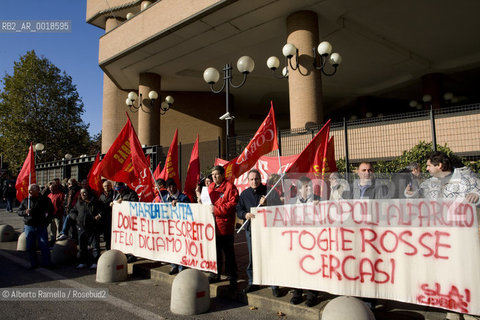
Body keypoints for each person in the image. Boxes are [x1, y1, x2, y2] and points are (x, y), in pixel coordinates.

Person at [405, 151, 480, 320]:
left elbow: (479, 192)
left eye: (429, 165)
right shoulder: (430, 183)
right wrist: (409, 193)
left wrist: (478, 196)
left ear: (439, 165)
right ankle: (452, 313)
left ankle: (470, 314)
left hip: (462, 239)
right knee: (447, 276)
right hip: (440, 239)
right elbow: (415, 197)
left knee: (465, 275)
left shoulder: (467, 179)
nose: (426, 168)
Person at [237, 169, 282, 296]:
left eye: (256, 179)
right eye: (251, 179)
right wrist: (244, 215)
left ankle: (274, 284)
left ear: (260, 179)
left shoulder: (270, 192)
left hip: (268, 231)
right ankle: (253, 282)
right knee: (253, 258)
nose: (254, 181)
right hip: (252, 231)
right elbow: (239, 209)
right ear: (248, 181)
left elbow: (278, 207)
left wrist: (268, 203)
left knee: (270, 257)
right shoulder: (244, 194)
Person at [290, 176, 321, 307]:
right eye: (305, 186)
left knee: (311, 266)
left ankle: (311, 295)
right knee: (297, 266)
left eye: (309, 186)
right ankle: (297, 293)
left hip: (312, 241)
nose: (308, 189)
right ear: (299, 189)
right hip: (297, 240)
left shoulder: (318, 201)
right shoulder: (291, 202)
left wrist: (318, 208)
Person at [208, 165, 239, 290]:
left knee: (228, 253)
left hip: (225, 226)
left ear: (222, 175)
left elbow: (232, 205)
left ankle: (232, 276)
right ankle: (216, 273)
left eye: (216, 174)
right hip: (212, 225)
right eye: (212, 175)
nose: (214, 177)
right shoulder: (210, 187)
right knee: (215, 252)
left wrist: (216, 210)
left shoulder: (230, 187)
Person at [18, 184, 54, 269]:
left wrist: (47, 221)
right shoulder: (26, 200)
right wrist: (25, 212)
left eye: (31, 190)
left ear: (37, 190)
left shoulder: (45, 200)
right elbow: (19, 211)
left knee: (44, 245)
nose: (29, 192)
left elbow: (51, 211)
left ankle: (46, 263)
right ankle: (33, 263)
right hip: (29, 226)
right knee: (30, 246)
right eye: (29, 190)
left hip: (41, 225)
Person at [162, 178, 191, 274]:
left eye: (172, 186)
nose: (171, 188)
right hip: (170, 227)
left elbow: (188, 207)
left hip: (181, 228)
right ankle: (174, 265)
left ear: (176, 186)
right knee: (172, 246)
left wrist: (179, 203)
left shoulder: (183, 197)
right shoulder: (165, 198)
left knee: (181, 246)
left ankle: (181, 266)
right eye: (168, 187)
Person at [70, 188, 103, 269]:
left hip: (92, 226)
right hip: (81, 227)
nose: (84, 194)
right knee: (82, 246)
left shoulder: (94, 202)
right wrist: (76, 218)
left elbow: (102, 210)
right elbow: (72, 211)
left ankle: (95, 262)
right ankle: (83, 262)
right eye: (82, 193)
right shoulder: (79, 203)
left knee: (95, 246)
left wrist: (99, 215)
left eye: (85, 193)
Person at [112, 182, 139, 262]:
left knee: (131, 238)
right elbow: (115, 202)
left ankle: (132, 255)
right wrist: (114, 203)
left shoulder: (131, 193)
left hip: (130, 220)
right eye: (117, 190)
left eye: (119, 190)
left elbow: (134, 204)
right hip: (122, 221)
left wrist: (123, 202)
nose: (118, 191)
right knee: (125, 238)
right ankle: (125, 254)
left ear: (123, 188)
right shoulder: (117, 195)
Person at [98, 180, 114, 250]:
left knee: (111, 234)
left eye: (108, 186)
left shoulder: (114, 194)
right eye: (105, 186)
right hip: (104, 217)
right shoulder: (101, 195)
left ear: (111, 186)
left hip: (111, 217)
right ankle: (107, 248)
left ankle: (110, 247)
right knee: (106, 234)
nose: (106, 187)